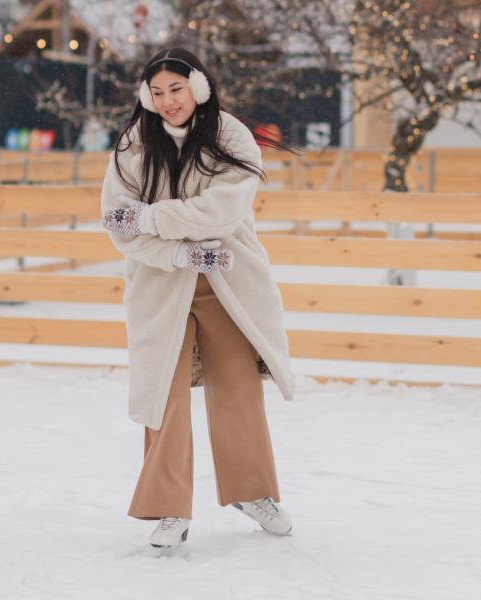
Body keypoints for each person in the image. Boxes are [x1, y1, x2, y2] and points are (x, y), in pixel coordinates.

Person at [99, 47, 296, 550]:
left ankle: (252, 493)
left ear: (199, 88)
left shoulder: (231, 136)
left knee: (237, 388)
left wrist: (150, 217)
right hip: (162, 284)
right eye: (158, 92)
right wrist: (180, 257)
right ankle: (169, 507)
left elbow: (220, 213)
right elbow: (118, 225)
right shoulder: (133, 145)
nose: (168, 101)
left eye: (177, 89)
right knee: (162, 393)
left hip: (229, 282)